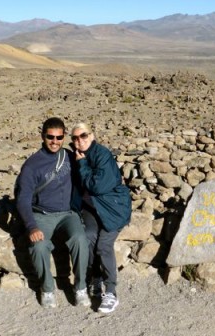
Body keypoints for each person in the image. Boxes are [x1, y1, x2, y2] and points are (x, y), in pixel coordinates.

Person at [16, 117, 90, 309]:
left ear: (64, 137)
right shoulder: (32, 165)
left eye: (59, 137)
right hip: (42, 215)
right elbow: (23, 198)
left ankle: (80, 288)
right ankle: (47, 289)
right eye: (50, 136)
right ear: (43, 136)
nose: (54, 141)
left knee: (80, 240)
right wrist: (32, 226)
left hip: (67, 214)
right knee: (38, 246)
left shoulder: (69, 156)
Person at [70, 122, 131, 314]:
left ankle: (111, 291)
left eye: (84, 135)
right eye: (75, 138)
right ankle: (94, 278)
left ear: (92, 135)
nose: (80, 140)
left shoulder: (101, 155)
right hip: (91, 209)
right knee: (87, 237)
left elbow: (97, 186)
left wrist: (82, 165)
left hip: (112, 209)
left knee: (104, 244)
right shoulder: (76, 155)